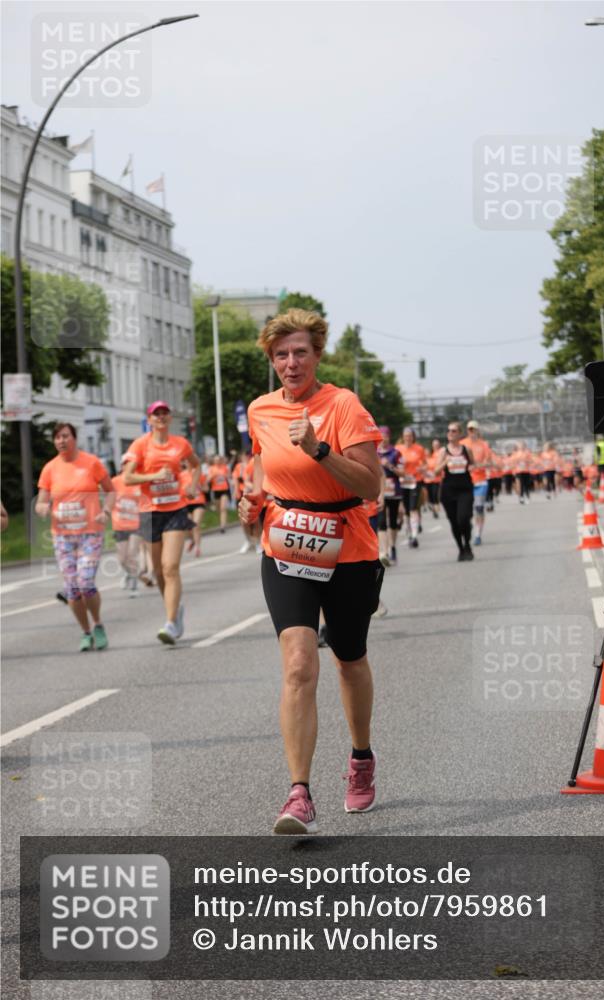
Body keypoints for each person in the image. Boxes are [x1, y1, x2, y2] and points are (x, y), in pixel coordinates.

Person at [239, 308, 384, 835]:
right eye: (281, 354)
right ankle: (299, 794)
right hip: (286, 545)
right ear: (272, 360)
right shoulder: (260, 410)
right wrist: (252, 502)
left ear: (317, 354)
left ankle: (361, 758)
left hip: (347, 543)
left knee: (348, 659)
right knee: (300, 662)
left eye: (300, 352)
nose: (291, 362)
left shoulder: (342, 405)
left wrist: (318, 449)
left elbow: (371, 487)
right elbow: (261, 465)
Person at [124, 401, 200, 645]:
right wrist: (154, 476)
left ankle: (169, 623)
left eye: (165, 413)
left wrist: (191, 485)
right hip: (149, 512)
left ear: (169, 418)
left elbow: (196, 466)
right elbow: (127, 478)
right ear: (149, 419)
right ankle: (175, 611)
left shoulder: (181, 444)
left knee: (170, 567)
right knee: (158, 572)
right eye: (156, 414)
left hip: (175, 510)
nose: (161, 417)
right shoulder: (140, 445)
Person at [35, 423, 114, 651]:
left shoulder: (91, 463)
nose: (61, 441)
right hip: (63, 536)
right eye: (57, 437)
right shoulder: (50, 469)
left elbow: (111, 491)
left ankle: (98, 624)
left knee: (86, 581)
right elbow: (41, 502)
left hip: (90, 533)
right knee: (71, 588)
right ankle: (85, 631)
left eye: (65, 436)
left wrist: (106, 511)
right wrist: (44, 509)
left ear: (74, 438)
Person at [435, 421, 474, 561]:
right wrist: (445, 462)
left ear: (460, 434)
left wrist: (471, 467)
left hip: (465, 489)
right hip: (449, 491)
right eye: (449, 431)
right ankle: (461, 548)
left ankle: (468, 543)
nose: (450, 433)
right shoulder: (443, 451)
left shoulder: (466, 450)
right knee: (454, 521)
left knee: (463, 518)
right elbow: (435, 471)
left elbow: (473, 464)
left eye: (453, 431)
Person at [110, 454, 144, 595]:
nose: (127, 466)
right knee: (122, 559)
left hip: (136, 525)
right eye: (125, 463)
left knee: (132, 554)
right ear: (122, 466)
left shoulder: (139, 482)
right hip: (119, 525)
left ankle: (134, 585)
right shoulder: (115, 482)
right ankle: (128, 574)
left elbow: (145, 503)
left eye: (130, 464)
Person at [460, 420, 492, 544]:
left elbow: (489, 462)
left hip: (480, 481)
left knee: (478, 508)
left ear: (478, 430)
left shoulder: (483, 445)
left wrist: (478, 465)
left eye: (473, 429)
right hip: (466, 481)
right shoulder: (462, 444)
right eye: (469, 429)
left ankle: (478, 534)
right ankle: (470, 526)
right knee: (467, 510)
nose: (471, 431)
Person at [377, 426, 403, 566]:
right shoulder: (373, 453)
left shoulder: (396, 453)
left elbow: (403, 473)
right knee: (381, 522)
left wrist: (390, 466)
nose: (383, 438)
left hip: (394, 492)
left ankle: (392, 546)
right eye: (380, 435)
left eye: (385, 435)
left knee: (392, 522)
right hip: (380, 492)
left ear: (389, 437)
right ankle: (383, 552)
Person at [396, 427, 426, 548]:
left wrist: (422, 468)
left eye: (410, 435)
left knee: (413, 508)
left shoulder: (419, 449)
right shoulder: (398, 449)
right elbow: (394, 464)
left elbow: (425, 464)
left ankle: (414, 536)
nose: (408, 437)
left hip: (415, 481)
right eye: (406, 435)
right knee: (406, 511)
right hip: (402, 482)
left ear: (413, 437)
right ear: (403, 437)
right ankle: (409, 534)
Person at [181, 459, 207, 557]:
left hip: (198, 502)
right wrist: (185, 490)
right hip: (186, 503)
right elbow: (178, 490)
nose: (189, 463)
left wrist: (199, 487)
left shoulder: (199, 474)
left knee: (195, 525)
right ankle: (193, 540)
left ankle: (197, 548)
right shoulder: (181, 475)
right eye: (187, 461)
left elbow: (206, 488)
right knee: (188, 527)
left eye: (190, 461)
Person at [207, 454, 231, 532]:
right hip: (216, 490)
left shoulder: (225, 467)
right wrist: (212, 476)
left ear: (220, 460)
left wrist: (226, 475)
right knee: (218, 509)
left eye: (218, 460)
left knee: (223, 508)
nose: (217, 461)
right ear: (214, 461)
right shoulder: (211, 468)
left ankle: (222, 527)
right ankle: (222, 521)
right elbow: (207, 480)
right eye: (216, 460)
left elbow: (229, 476)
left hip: (224, 490)